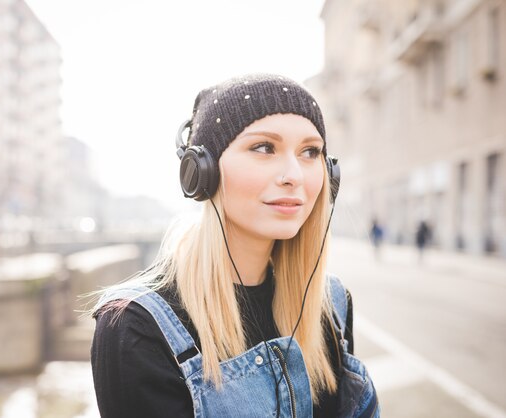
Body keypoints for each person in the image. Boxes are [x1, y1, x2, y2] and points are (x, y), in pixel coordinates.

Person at [90, 74, 379, 417]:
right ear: (202, 172)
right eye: (264, 148)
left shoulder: (331, 304)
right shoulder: (135, 327)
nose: (294, 175)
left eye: (310, 152)